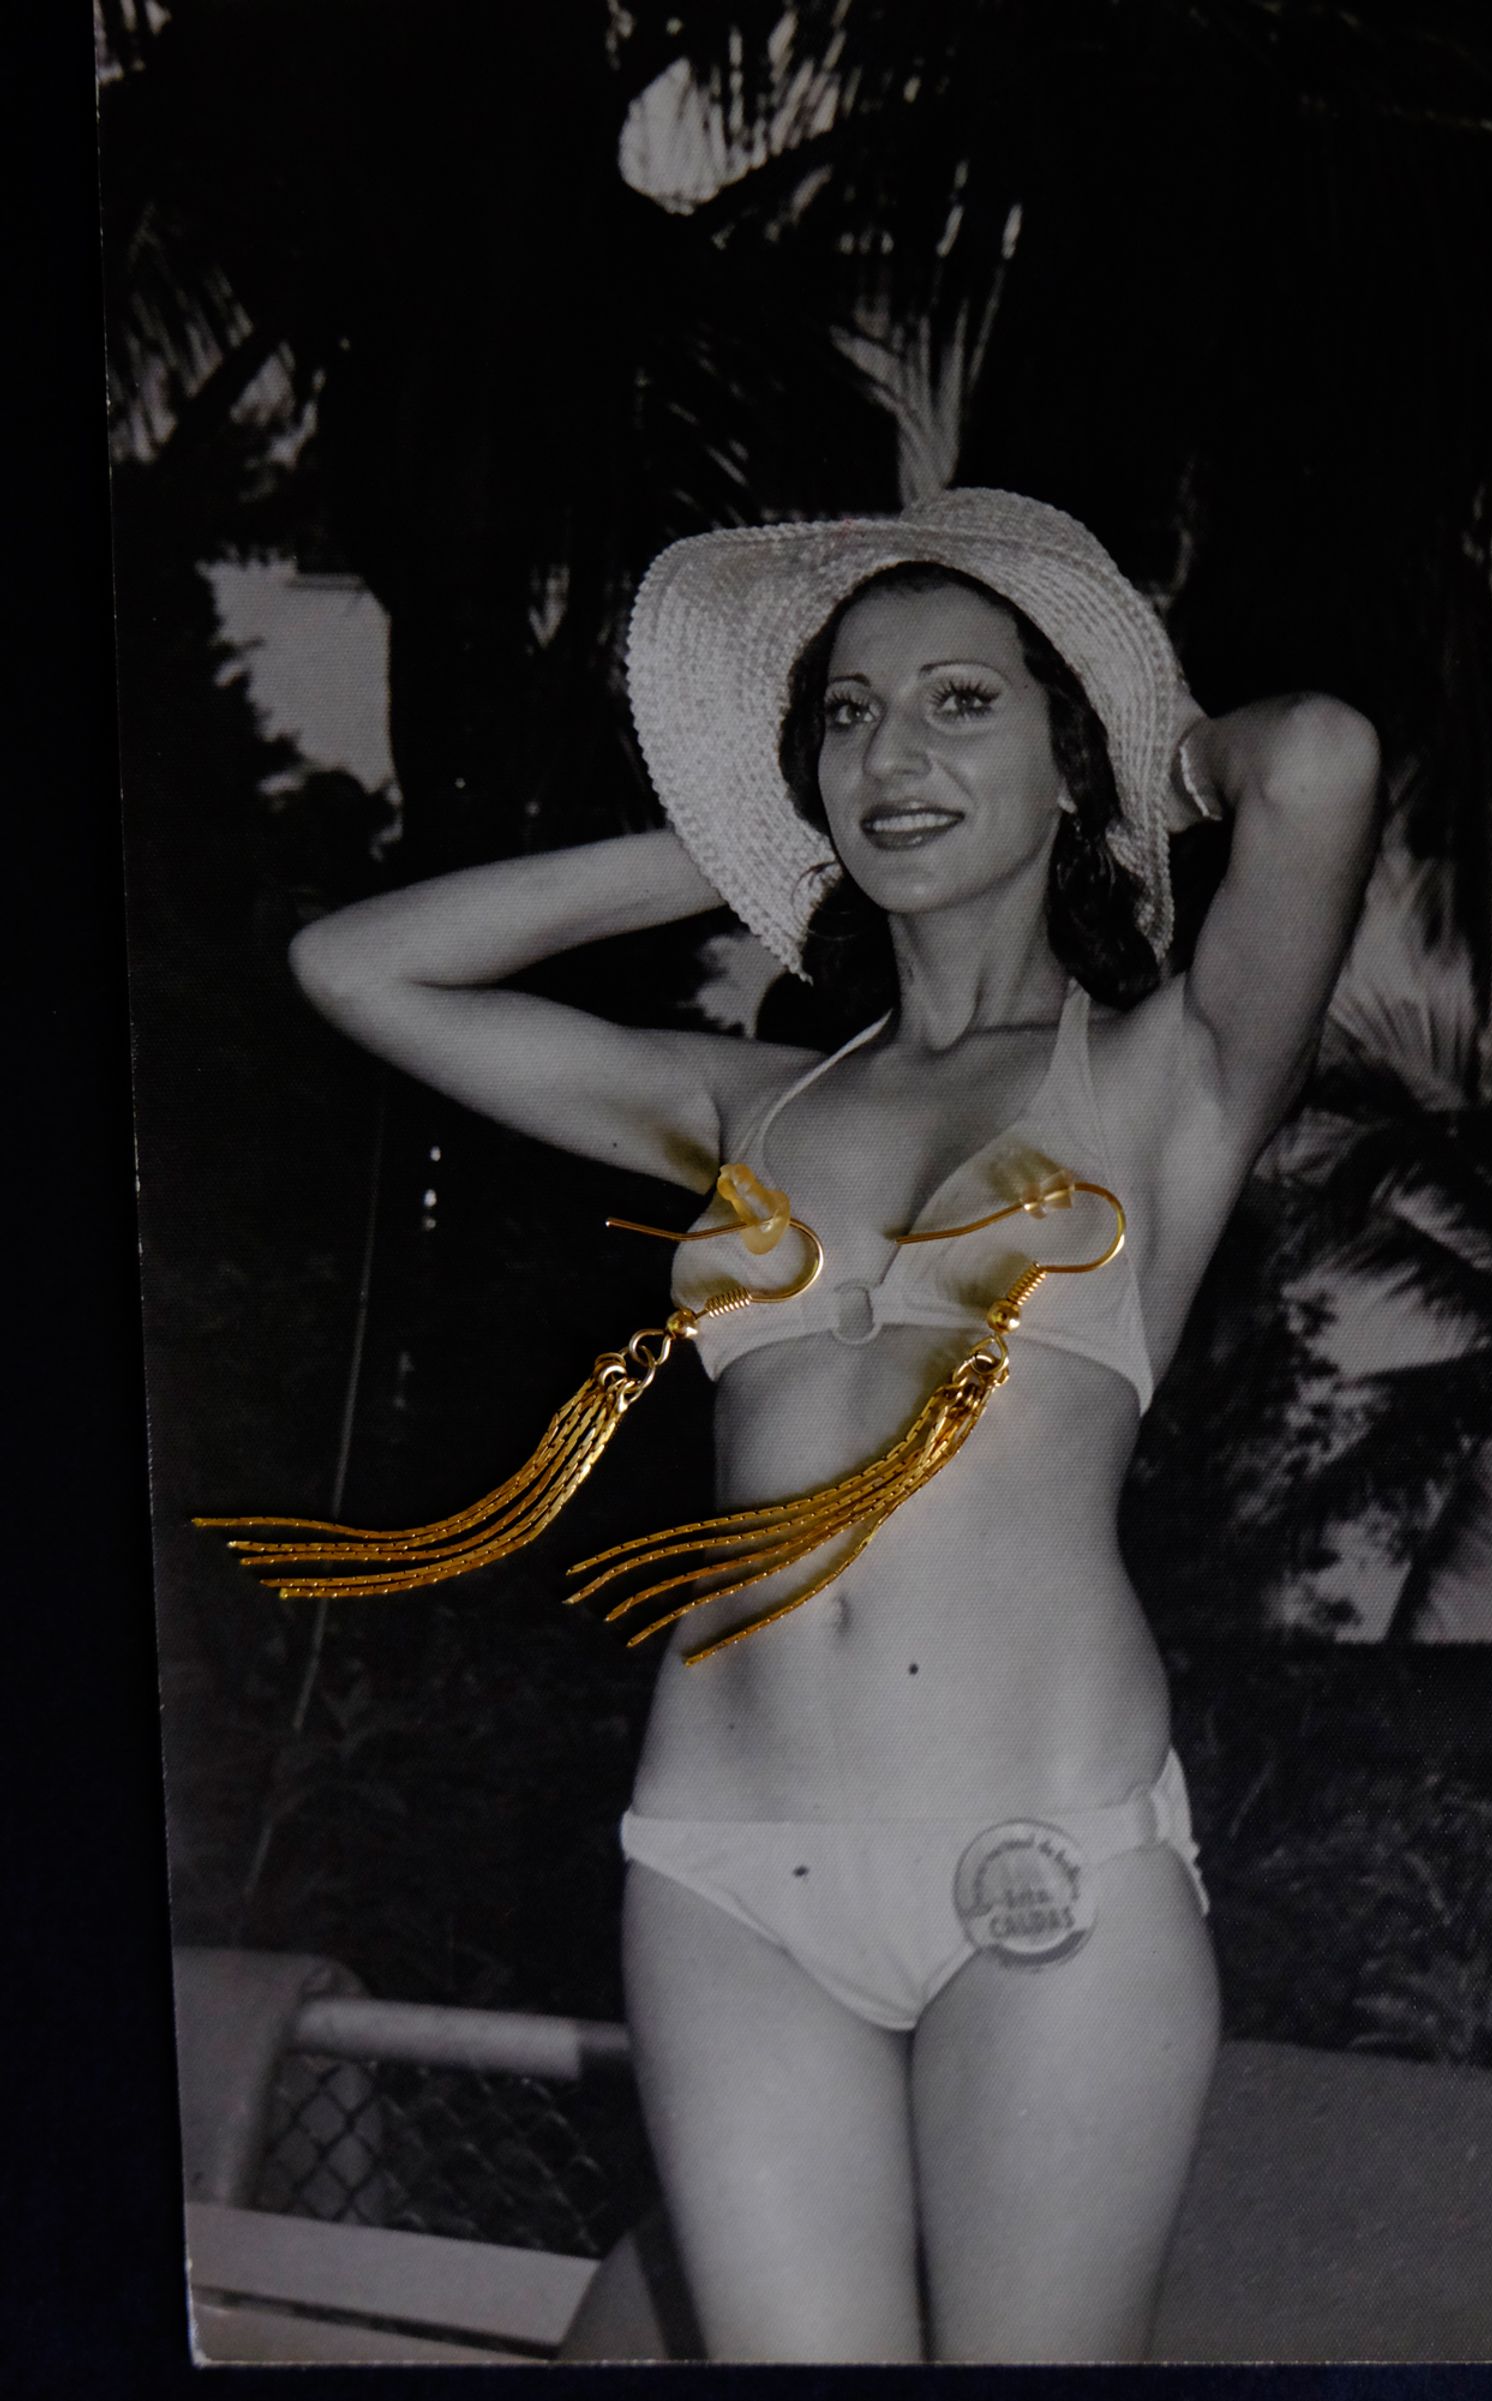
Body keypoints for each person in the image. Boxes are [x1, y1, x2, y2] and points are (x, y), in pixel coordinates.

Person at [288, 489, 1382, 2361]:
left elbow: (1323, 759)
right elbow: (357, 967)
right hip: (726, 1876)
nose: (896, 750)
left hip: (1038, 1857)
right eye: (848, 714)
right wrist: (747, 837)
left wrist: (1154, 762)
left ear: (1069, 764)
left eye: (964, 703)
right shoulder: (745, 1107)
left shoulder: (1166, 1082)